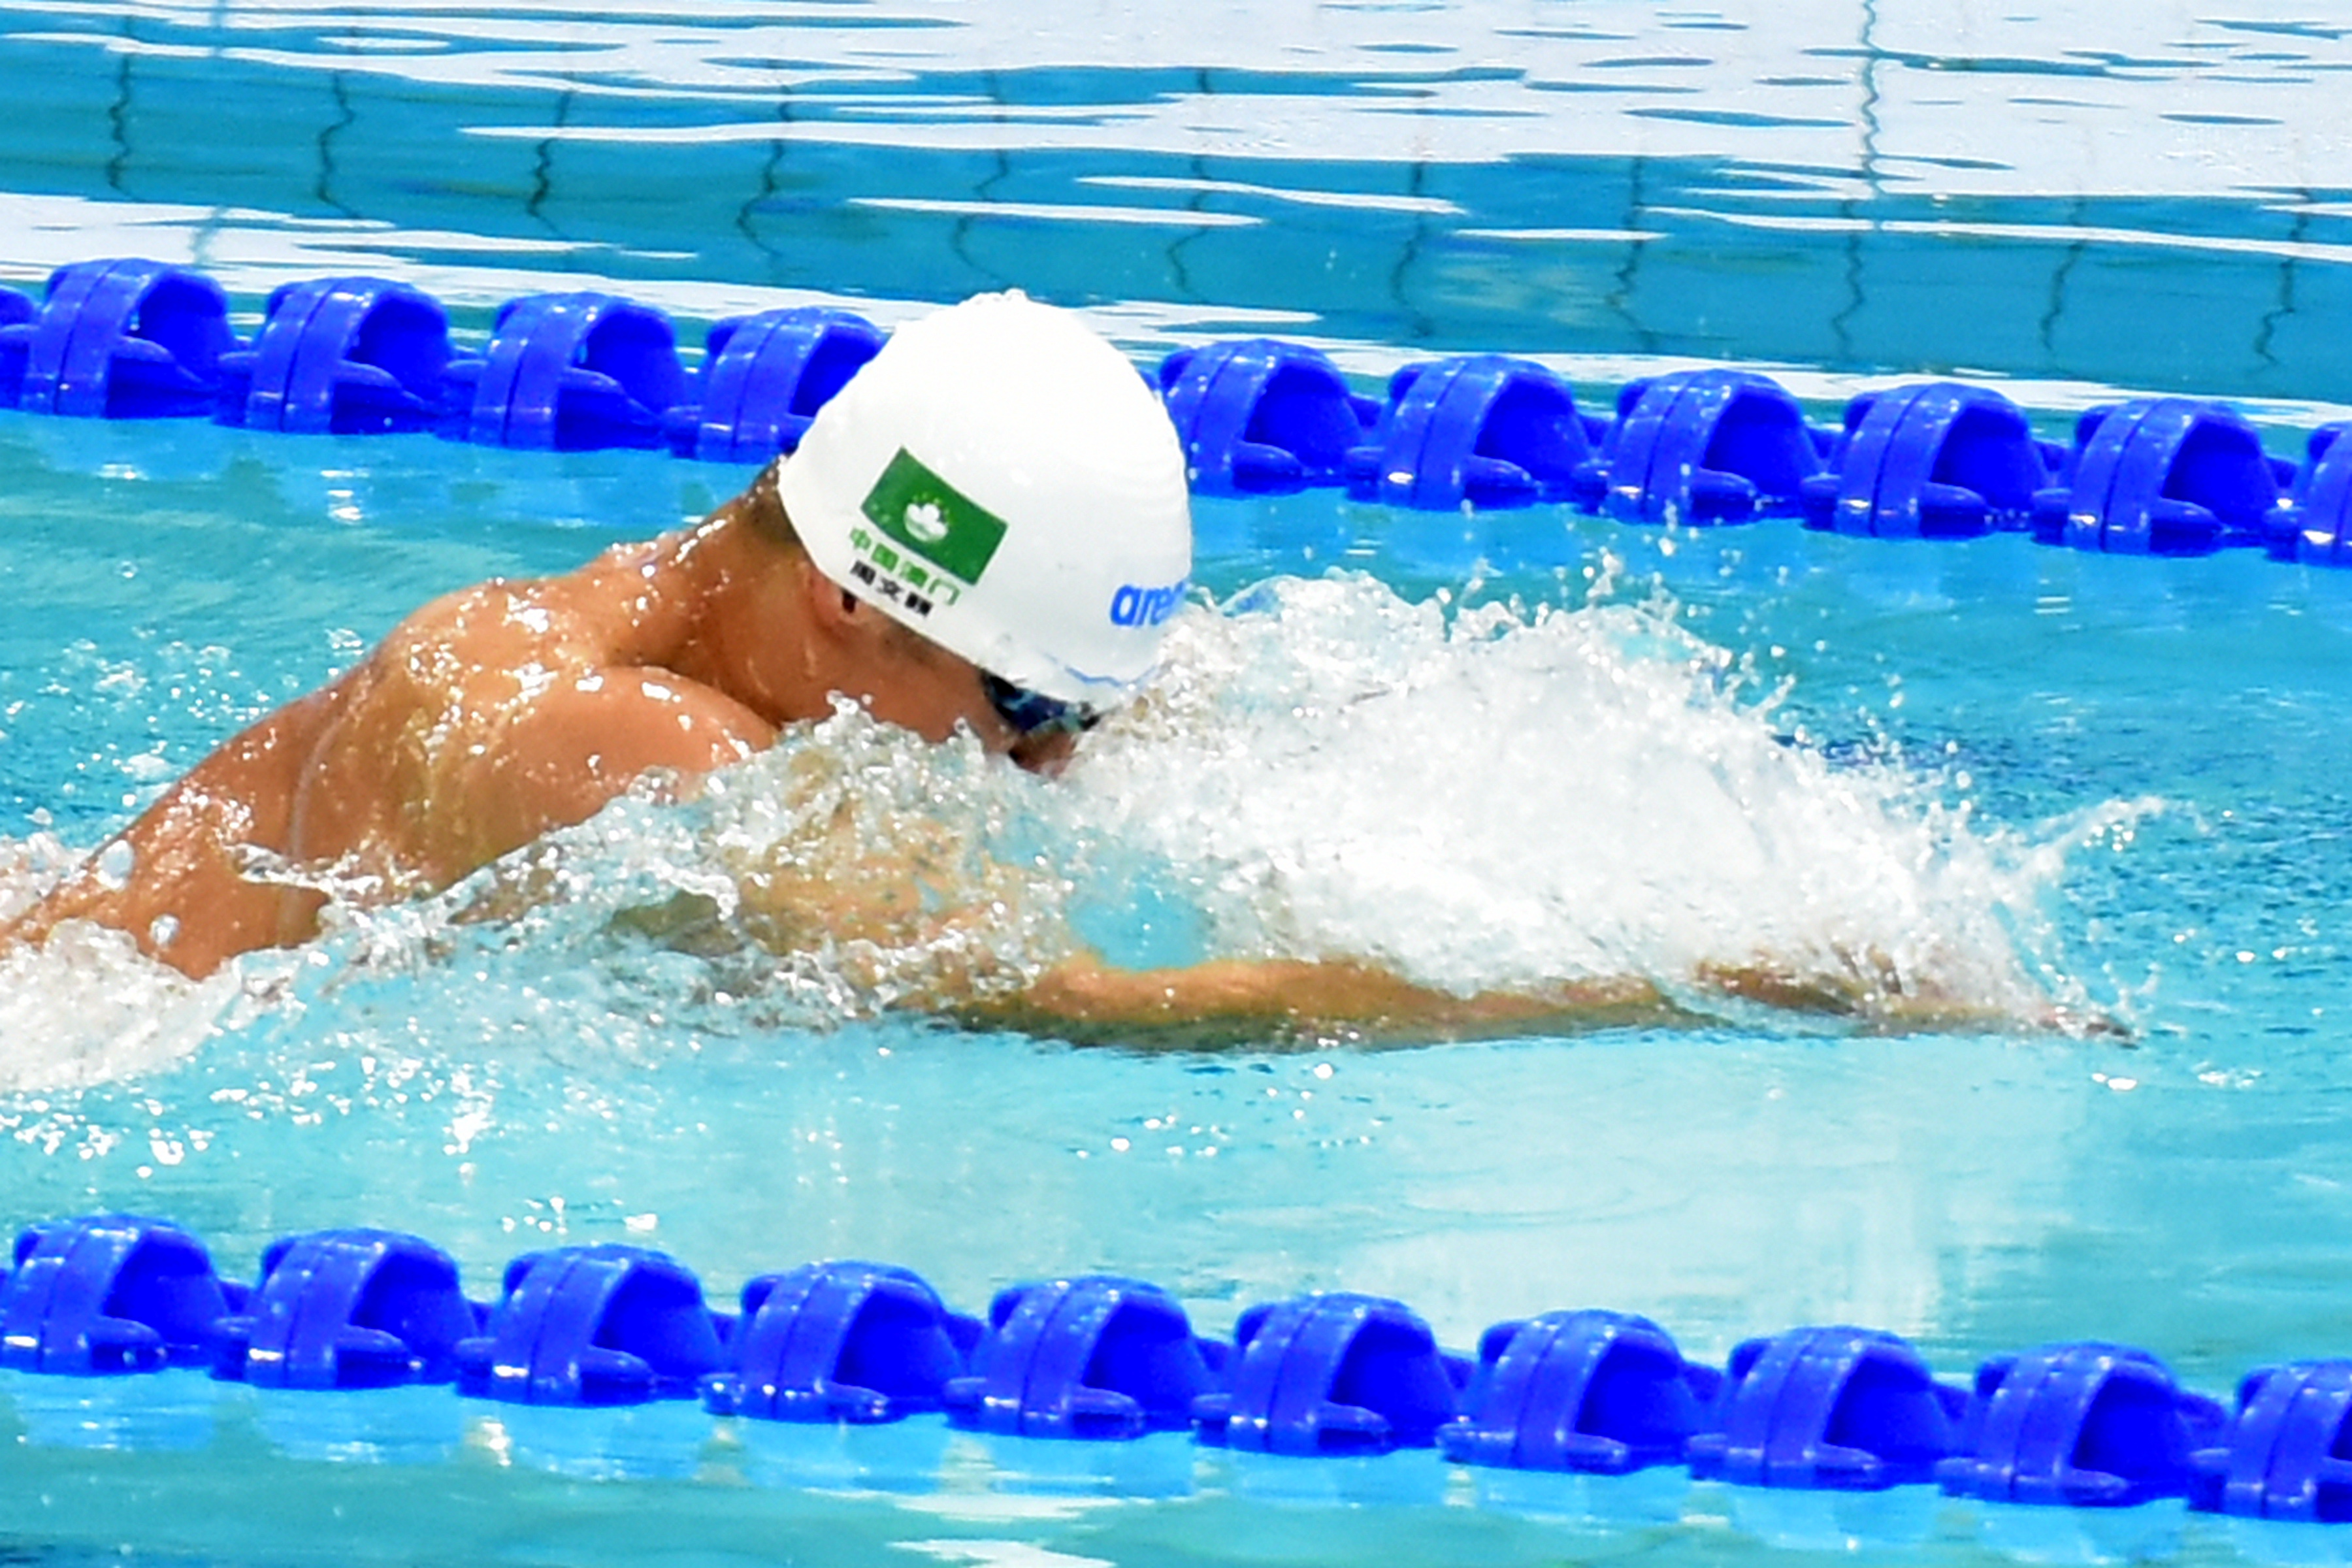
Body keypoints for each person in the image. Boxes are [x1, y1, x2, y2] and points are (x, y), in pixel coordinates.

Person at [0, 293, 1999, 1040]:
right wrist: (1710, 984)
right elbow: (1093, 1004)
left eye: (1075, 717)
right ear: (856, 601)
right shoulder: (600, 741)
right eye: (1026, 712)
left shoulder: (802, 638)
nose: (1048, 768)